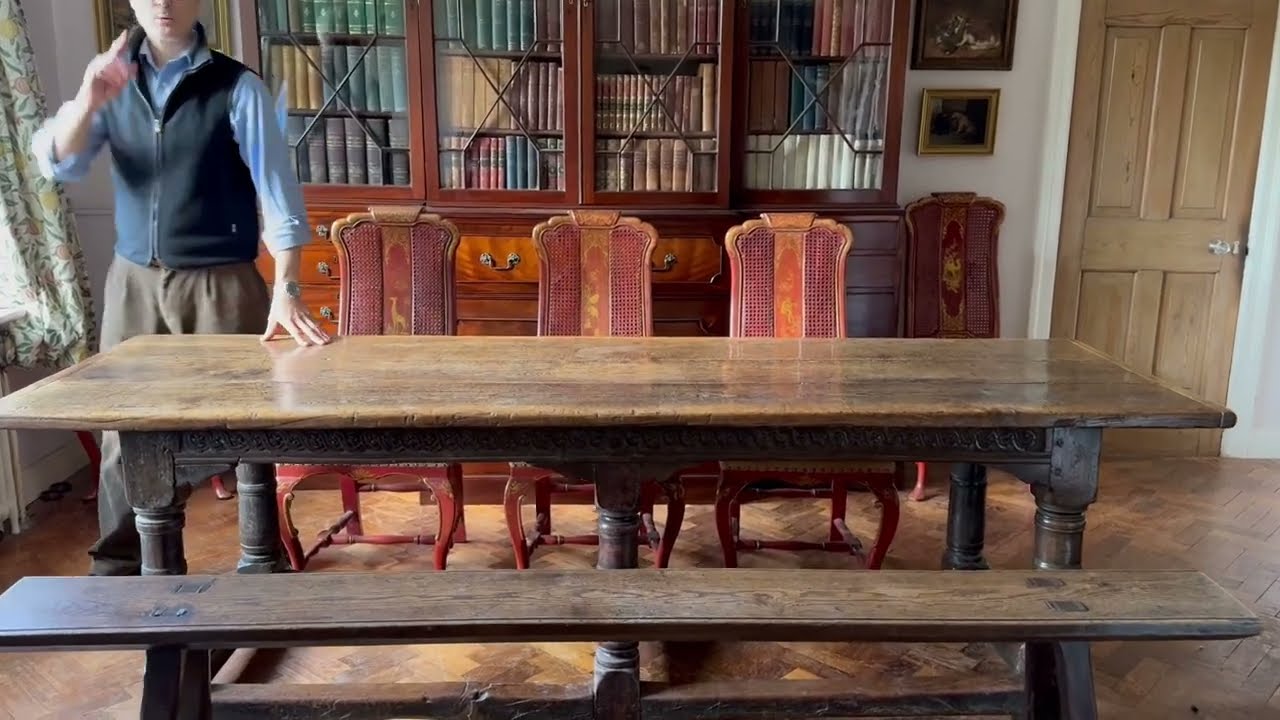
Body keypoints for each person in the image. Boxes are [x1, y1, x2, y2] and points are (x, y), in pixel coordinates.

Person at [31, 0, 331, 576]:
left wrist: (287, 288)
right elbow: (56, 163)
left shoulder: (238, 86)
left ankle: (259, 563)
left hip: (222, 285)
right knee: (123, 433)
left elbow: (279, 196)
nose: (164, 4)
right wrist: (89, 99)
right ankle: (120, 569)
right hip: (133, 286)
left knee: (246, 430)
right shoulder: (109, 82)